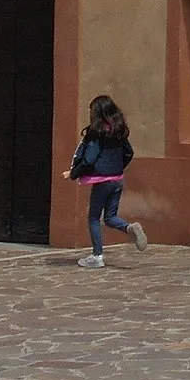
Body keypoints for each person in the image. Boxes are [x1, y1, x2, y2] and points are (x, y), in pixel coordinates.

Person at [68, 95, 147, 268]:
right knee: (110, 216)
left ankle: (97, 256)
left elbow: (89, 160)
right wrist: (117, 168)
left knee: (94, 218)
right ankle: (129, 228)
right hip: (117, 179)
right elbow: (129, 152)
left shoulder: (96, 134)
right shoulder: (119, 132)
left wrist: (73, 173)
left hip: (102, 181)